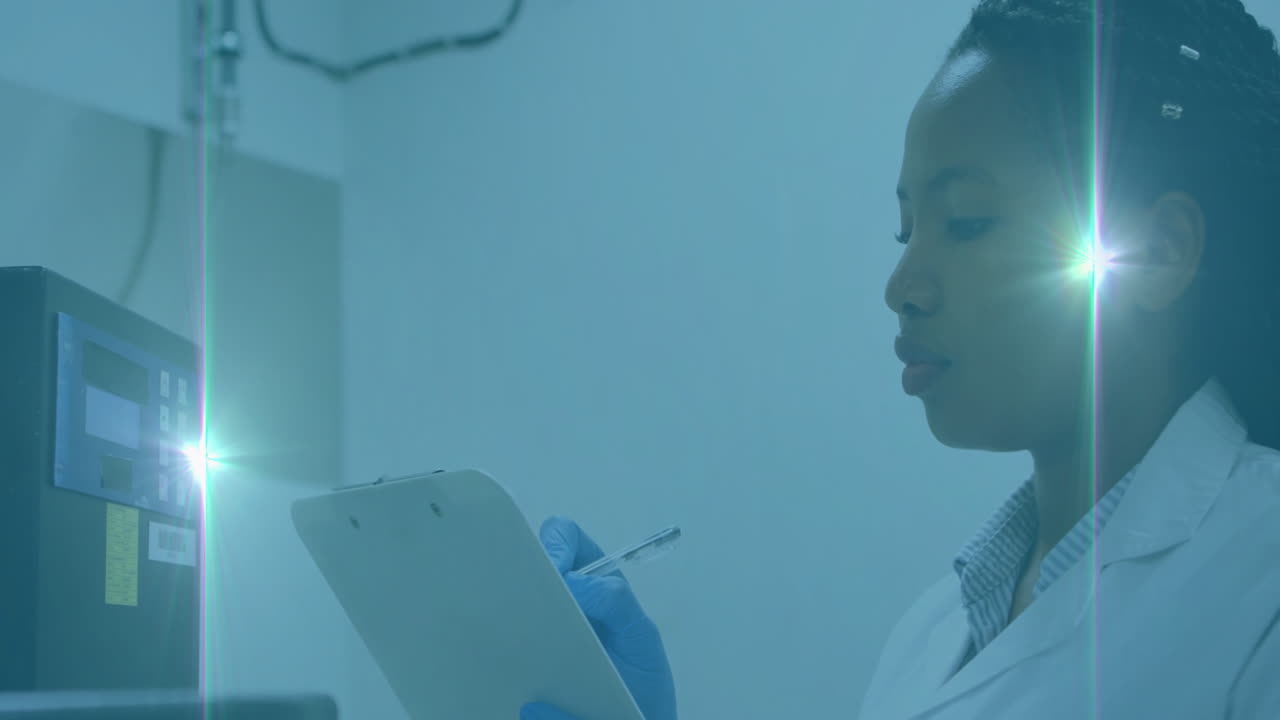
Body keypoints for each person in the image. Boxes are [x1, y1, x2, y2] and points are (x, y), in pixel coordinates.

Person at [520, 0, 1280, 717]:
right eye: (905, 230)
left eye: (967, 222)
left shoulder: (1260, 581)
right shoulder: (932, 631)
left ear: (1156, 254)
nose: (901, 286)